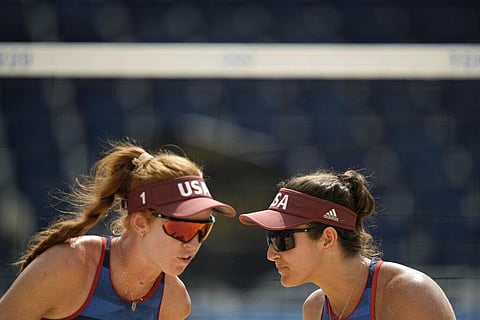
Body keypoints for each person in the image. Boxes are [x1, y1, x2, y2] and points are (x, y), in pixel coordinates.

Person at [0, 139, 236, 320]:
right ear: (140, 223)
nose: (193, 244)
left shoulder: (174, 302)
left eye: (203, 230)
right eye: (182, 229)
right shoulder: (68, 266)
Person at [239, 169, 456, 320]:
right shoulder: (315, 309)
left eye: (282, 240)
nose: (271, 254)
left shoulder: (408, 293)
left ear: (328, 239)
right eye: (270, 237)